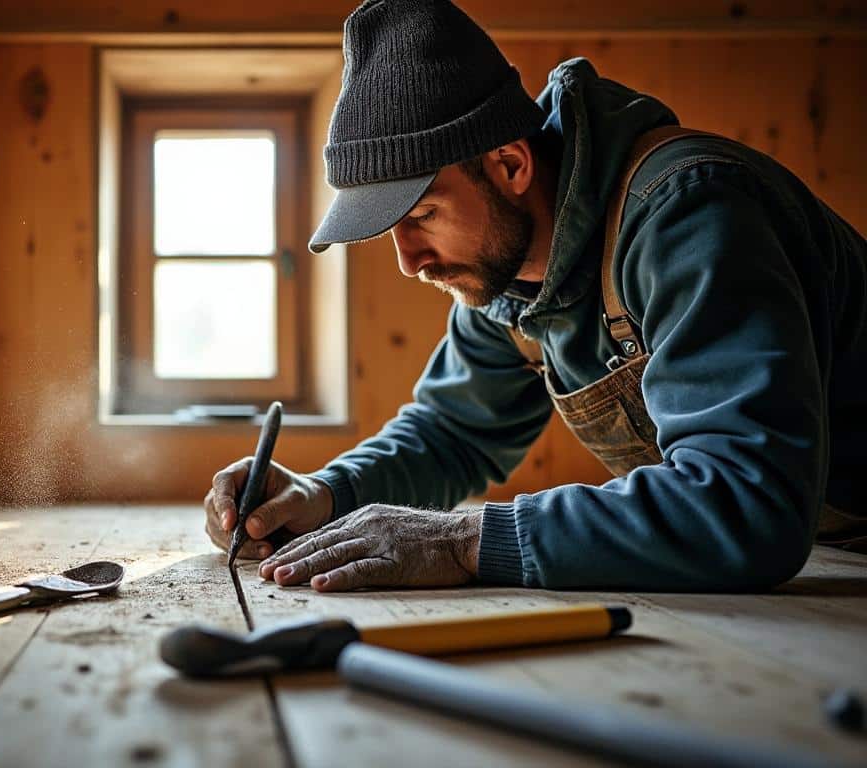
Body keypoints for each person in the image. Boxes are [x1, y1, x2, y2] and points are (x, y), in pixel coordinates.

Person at [203, 0, 867, 592]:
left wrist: (465, 541)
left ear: (512, 165)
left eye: (422, 214)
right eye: (388, 232)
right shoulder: (508, 280)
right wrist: (322, 494)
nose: (407, 261)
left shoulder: (689, 214)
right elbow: (452, 433)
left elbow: (745, 507)